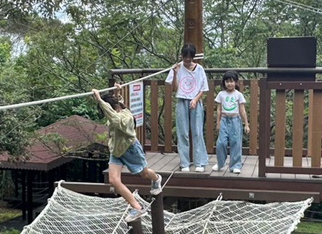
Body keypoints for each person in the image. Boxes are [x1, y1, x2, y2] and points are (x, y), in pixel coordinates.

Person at [93, 85, 162, 221]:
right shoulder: (119, 108)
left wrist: (100, 100)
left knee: (144, 174)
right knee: (113, 180)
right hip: (117, 151)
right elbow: (117, 104)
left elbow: (115, 119)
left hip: (130, 150)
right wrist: (117, 92)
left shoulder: (125, 117)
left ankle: (156, 179)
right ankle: (137, 207)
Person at [165, 43, 209, 172]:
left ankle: (199, 162)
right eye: (185, 57)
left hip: (196, 101)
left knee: (197, 132)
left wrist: (195, 100)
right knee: (182, 133)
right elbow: (174, 89)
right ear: (182, 56)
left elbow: (204, 88)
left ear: (193, 57)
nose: (187, 60)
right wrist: (174, 73)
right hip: (182, 101)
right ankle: (184, 163)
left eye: (190, 57)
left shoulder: (199, 69)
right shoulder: (177, 67)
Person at [212, 70, 250, 174]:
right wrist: (218, 122)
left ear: (236, 82)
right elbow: (219, 109)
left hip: (235, 120)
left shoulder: (238, 95)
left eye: (232, 81)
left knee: (236, 143)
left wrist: (246, 124)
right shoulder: (221, 94)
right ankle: (220, 163)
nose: (230, 83)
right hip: (224, 120)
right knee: (221, 143)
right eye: (227, 81)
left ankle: (235, 165)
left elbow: (242, 110)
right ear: (224, 82)